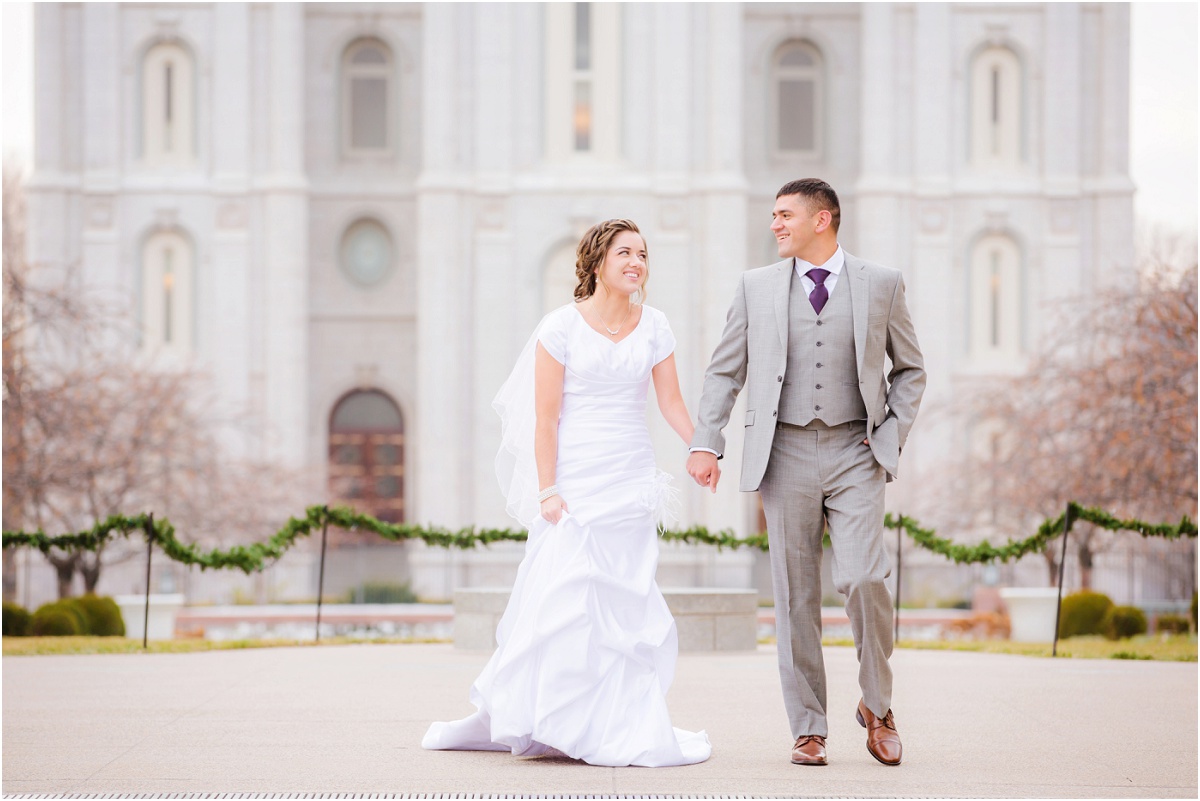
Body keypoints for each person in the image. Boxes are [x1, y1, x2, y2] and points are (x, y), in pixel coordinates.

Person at [422, 219, 711, 767]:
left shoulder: (655, 326)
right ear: (598, 262)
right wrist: (548, 489)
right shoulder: (560, 327)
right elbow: (546, 419)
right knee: (563, 596)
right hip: (576, 480)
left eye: (643, 255)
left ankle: (611, 720)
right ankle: (548, 715)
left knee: (623, 602)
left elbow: (671, 403)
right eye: (625, 252)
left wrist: (702, 447)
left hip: (630, 477)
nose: (637, 262)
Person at [686, 179, 925, 767]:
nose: (775, 225)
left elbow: (912, 370)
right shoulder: (755, 287)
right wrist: (706, 442)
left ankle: (878, 705)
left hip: (855, 450)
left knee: (866, 577)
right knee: (795, 596)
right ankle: (809, 726)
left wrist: (888, 436)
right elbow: (724, 373)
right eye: (773, 215)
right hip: (783, 452)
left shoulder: (882, 283)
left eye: (785, 215)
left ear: (823, 219)